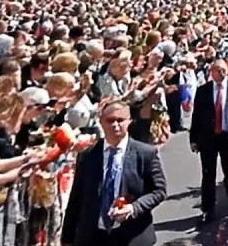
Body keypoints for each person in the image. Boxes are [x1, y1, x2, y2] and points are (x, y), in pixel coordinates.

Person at [60, 101, 167, 246]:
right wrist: (67, 238)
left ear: (129, 121)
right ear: (101, 122)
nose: (115, 125)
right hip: (94, 236)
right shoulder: (88, 155)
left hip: (132, 235)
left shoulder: (145, 154)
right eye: (110, 121)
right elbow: (76, 198)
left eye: (120, 120)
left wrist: (133, 208)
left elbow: (158, 191)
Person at [188, 58, 228, 222]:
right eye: (217, 70)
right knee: (208, 174)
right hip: (208, 137)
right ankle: (208, 208)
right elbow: (197, 116)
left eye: (223, 70)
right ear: (211, 73)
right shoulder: (203, 91)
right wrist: (193, 139)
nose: (221, 73)